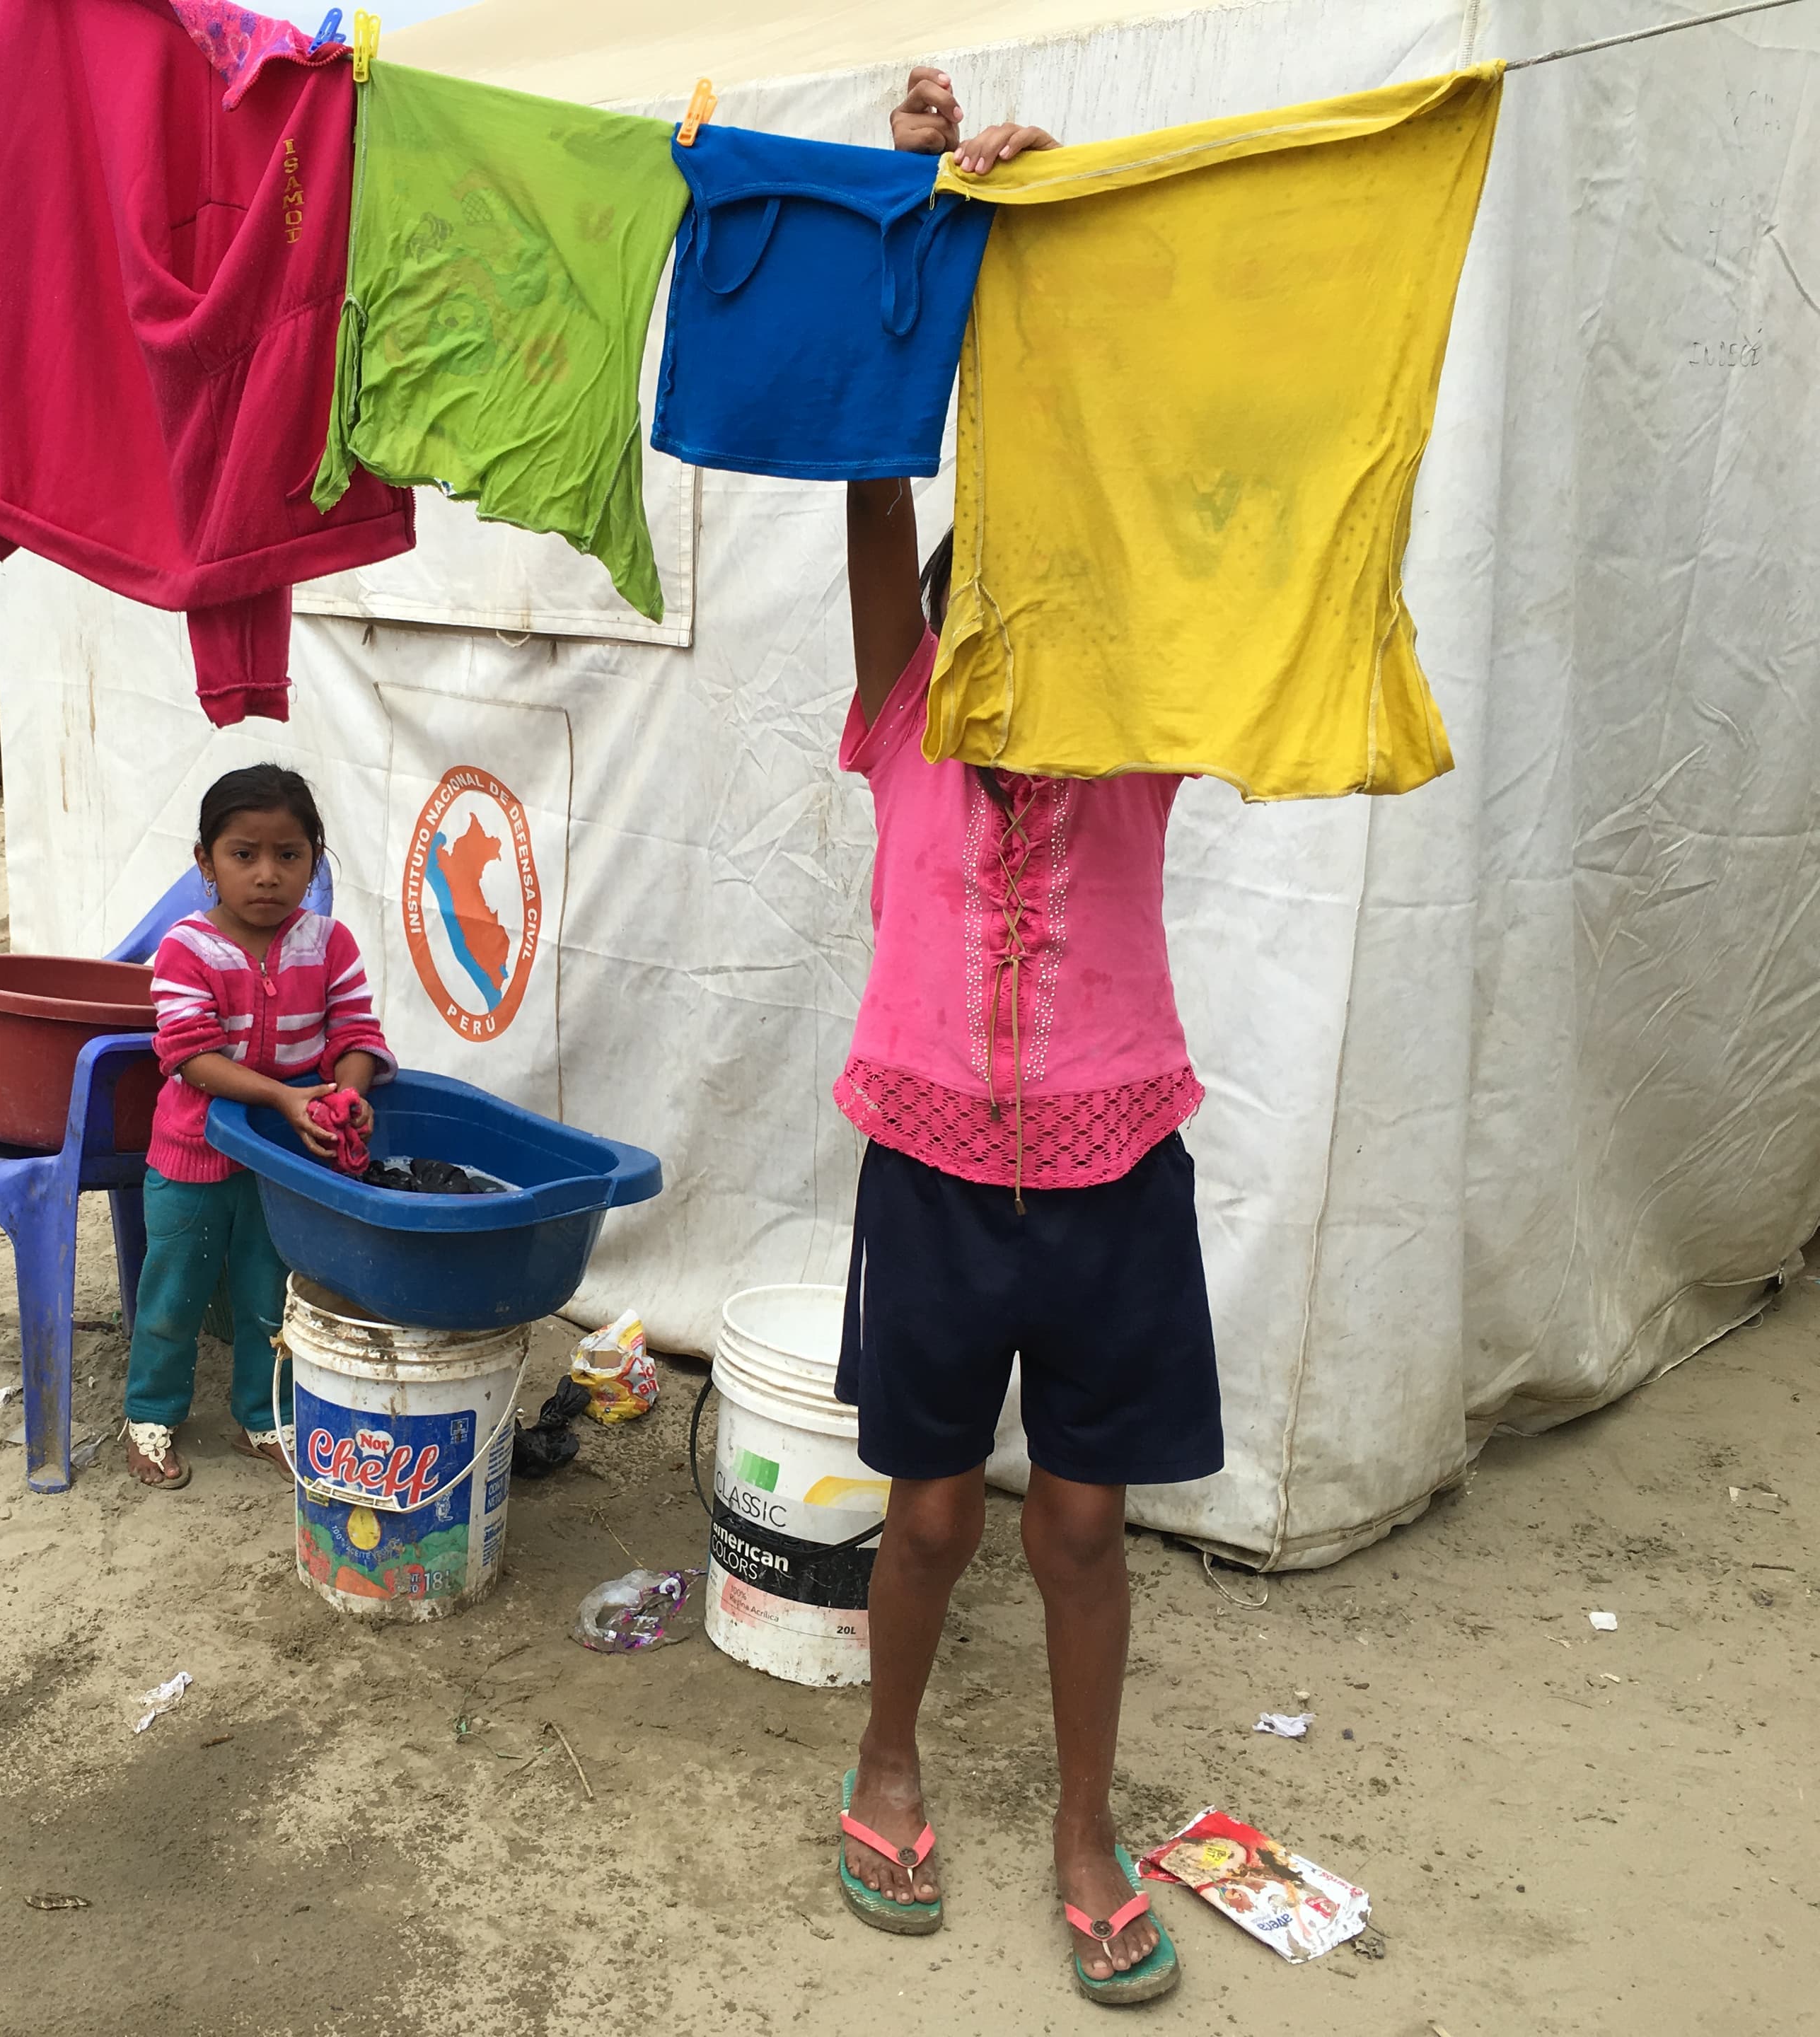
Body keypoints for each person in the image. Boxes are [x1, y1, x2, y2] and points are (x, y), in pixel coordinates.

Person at [827, 67, 1219, 2010]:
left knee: (1081, 1520)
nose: (1005, 645)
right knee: (931, 1508)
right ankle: (887, 1754)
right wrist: (923, 210)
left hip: (1112, 1161)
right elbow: (877, 481)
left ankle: (1085, 1822)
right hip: (932, 1159)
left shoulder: (1147, 735)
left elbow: (1175, 489)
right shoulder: (905, 705)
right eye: (978, 615)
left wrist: (1067, 254)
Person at [122, 765, 393, 1490]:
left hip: (284, 1163)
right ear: (205, 863)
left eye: (290, 855)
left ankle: (262, 1416)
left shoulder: (329, 945)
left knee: (270, 1296)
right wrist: (284, 1096)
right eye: (244, 854)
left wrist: (351, 1091)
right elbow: (188, 1055)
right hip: (192, 1157)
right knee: (173, 1293)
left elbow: (357, 1034)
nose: (268, 875)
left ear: (314, 861)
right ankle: (150, 1414)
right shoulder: (186, 949)